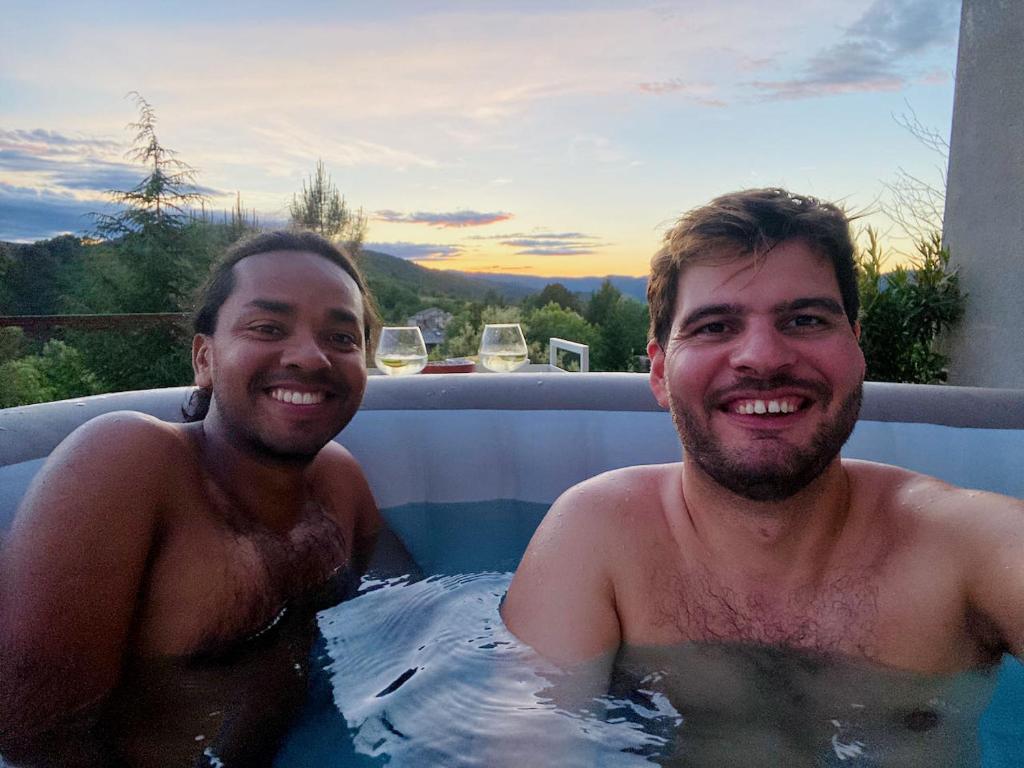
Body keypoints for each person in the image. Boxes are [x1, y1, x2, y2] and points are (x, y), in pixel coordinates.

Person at [502, 189, 1024, 765]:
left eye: (804, 319)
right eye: (715, 326)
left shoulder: (969, 546)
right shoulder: (596, 535)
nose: (762, 357)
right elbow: (521, 751)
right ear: (659, 373)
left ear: (857, 349)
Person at [0, 230, 400, 767]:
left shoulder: (339, 480)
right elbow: (34, 744)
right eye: (267, 327)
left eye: (342, 338)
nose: (311, 356)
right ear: (205, 358)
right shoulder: (129, 460)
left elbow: (409, 608)